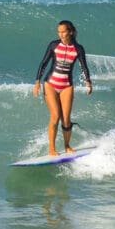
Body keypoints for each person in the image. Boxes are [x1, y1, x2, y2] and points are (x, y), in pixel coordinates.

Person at [33, 20, 93, 156]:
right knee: (55, 116)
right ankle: (52, 149)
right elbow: (43, 64)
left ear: (70, 32)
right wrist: (37, 82)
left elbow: (84, 67)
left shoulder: (78, 49)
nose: (60, 34)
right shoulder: (54, 45)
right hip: (50, 84)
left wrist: (88, 82)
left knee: (66, 119)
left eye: (63, 31)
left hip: (67, 85)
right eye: (59, 32)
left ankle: (67, 146)